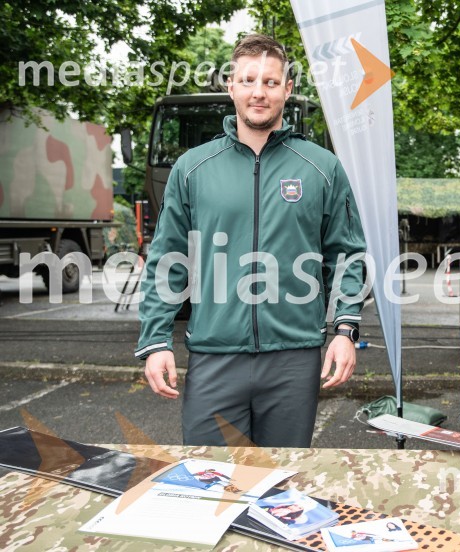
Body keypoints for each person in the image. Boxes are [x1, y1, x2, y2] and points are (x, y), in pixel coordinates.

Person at [135, 34, 367, 447]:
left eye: (271, 82)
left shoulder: (322, 167)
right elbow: (168, 258)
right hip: (214, 355)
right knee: (212, 483)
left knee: (281, 489)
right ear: (231, 86)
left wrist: (345, 329)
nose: (259, 92)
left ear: (288, 89)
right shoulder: (192, 168)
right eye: (248, 80)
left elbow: (349, 254)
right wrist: (156, 339)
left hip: (293, 358)